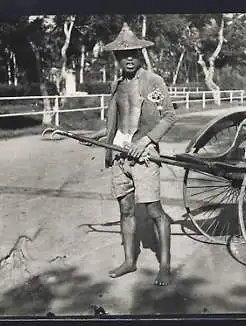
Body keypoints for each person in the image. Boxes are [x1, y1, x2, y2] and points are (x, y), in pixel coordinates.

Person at [87, 23, 176, 286]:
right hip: (119, 155)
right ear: (116, 58)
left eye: (133, 53)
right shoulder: (116, 86)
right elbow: (116, 122)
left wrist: (147, 140)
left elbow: (170, 115)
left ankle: (166, 266)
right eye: (123, 55)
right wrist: (101, 138)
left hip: (145, 152)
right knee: (125, 208)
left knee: (154, 210)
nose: (128, 58)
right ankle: (129, 261)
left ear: (140, 55)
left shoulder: (152, 82)